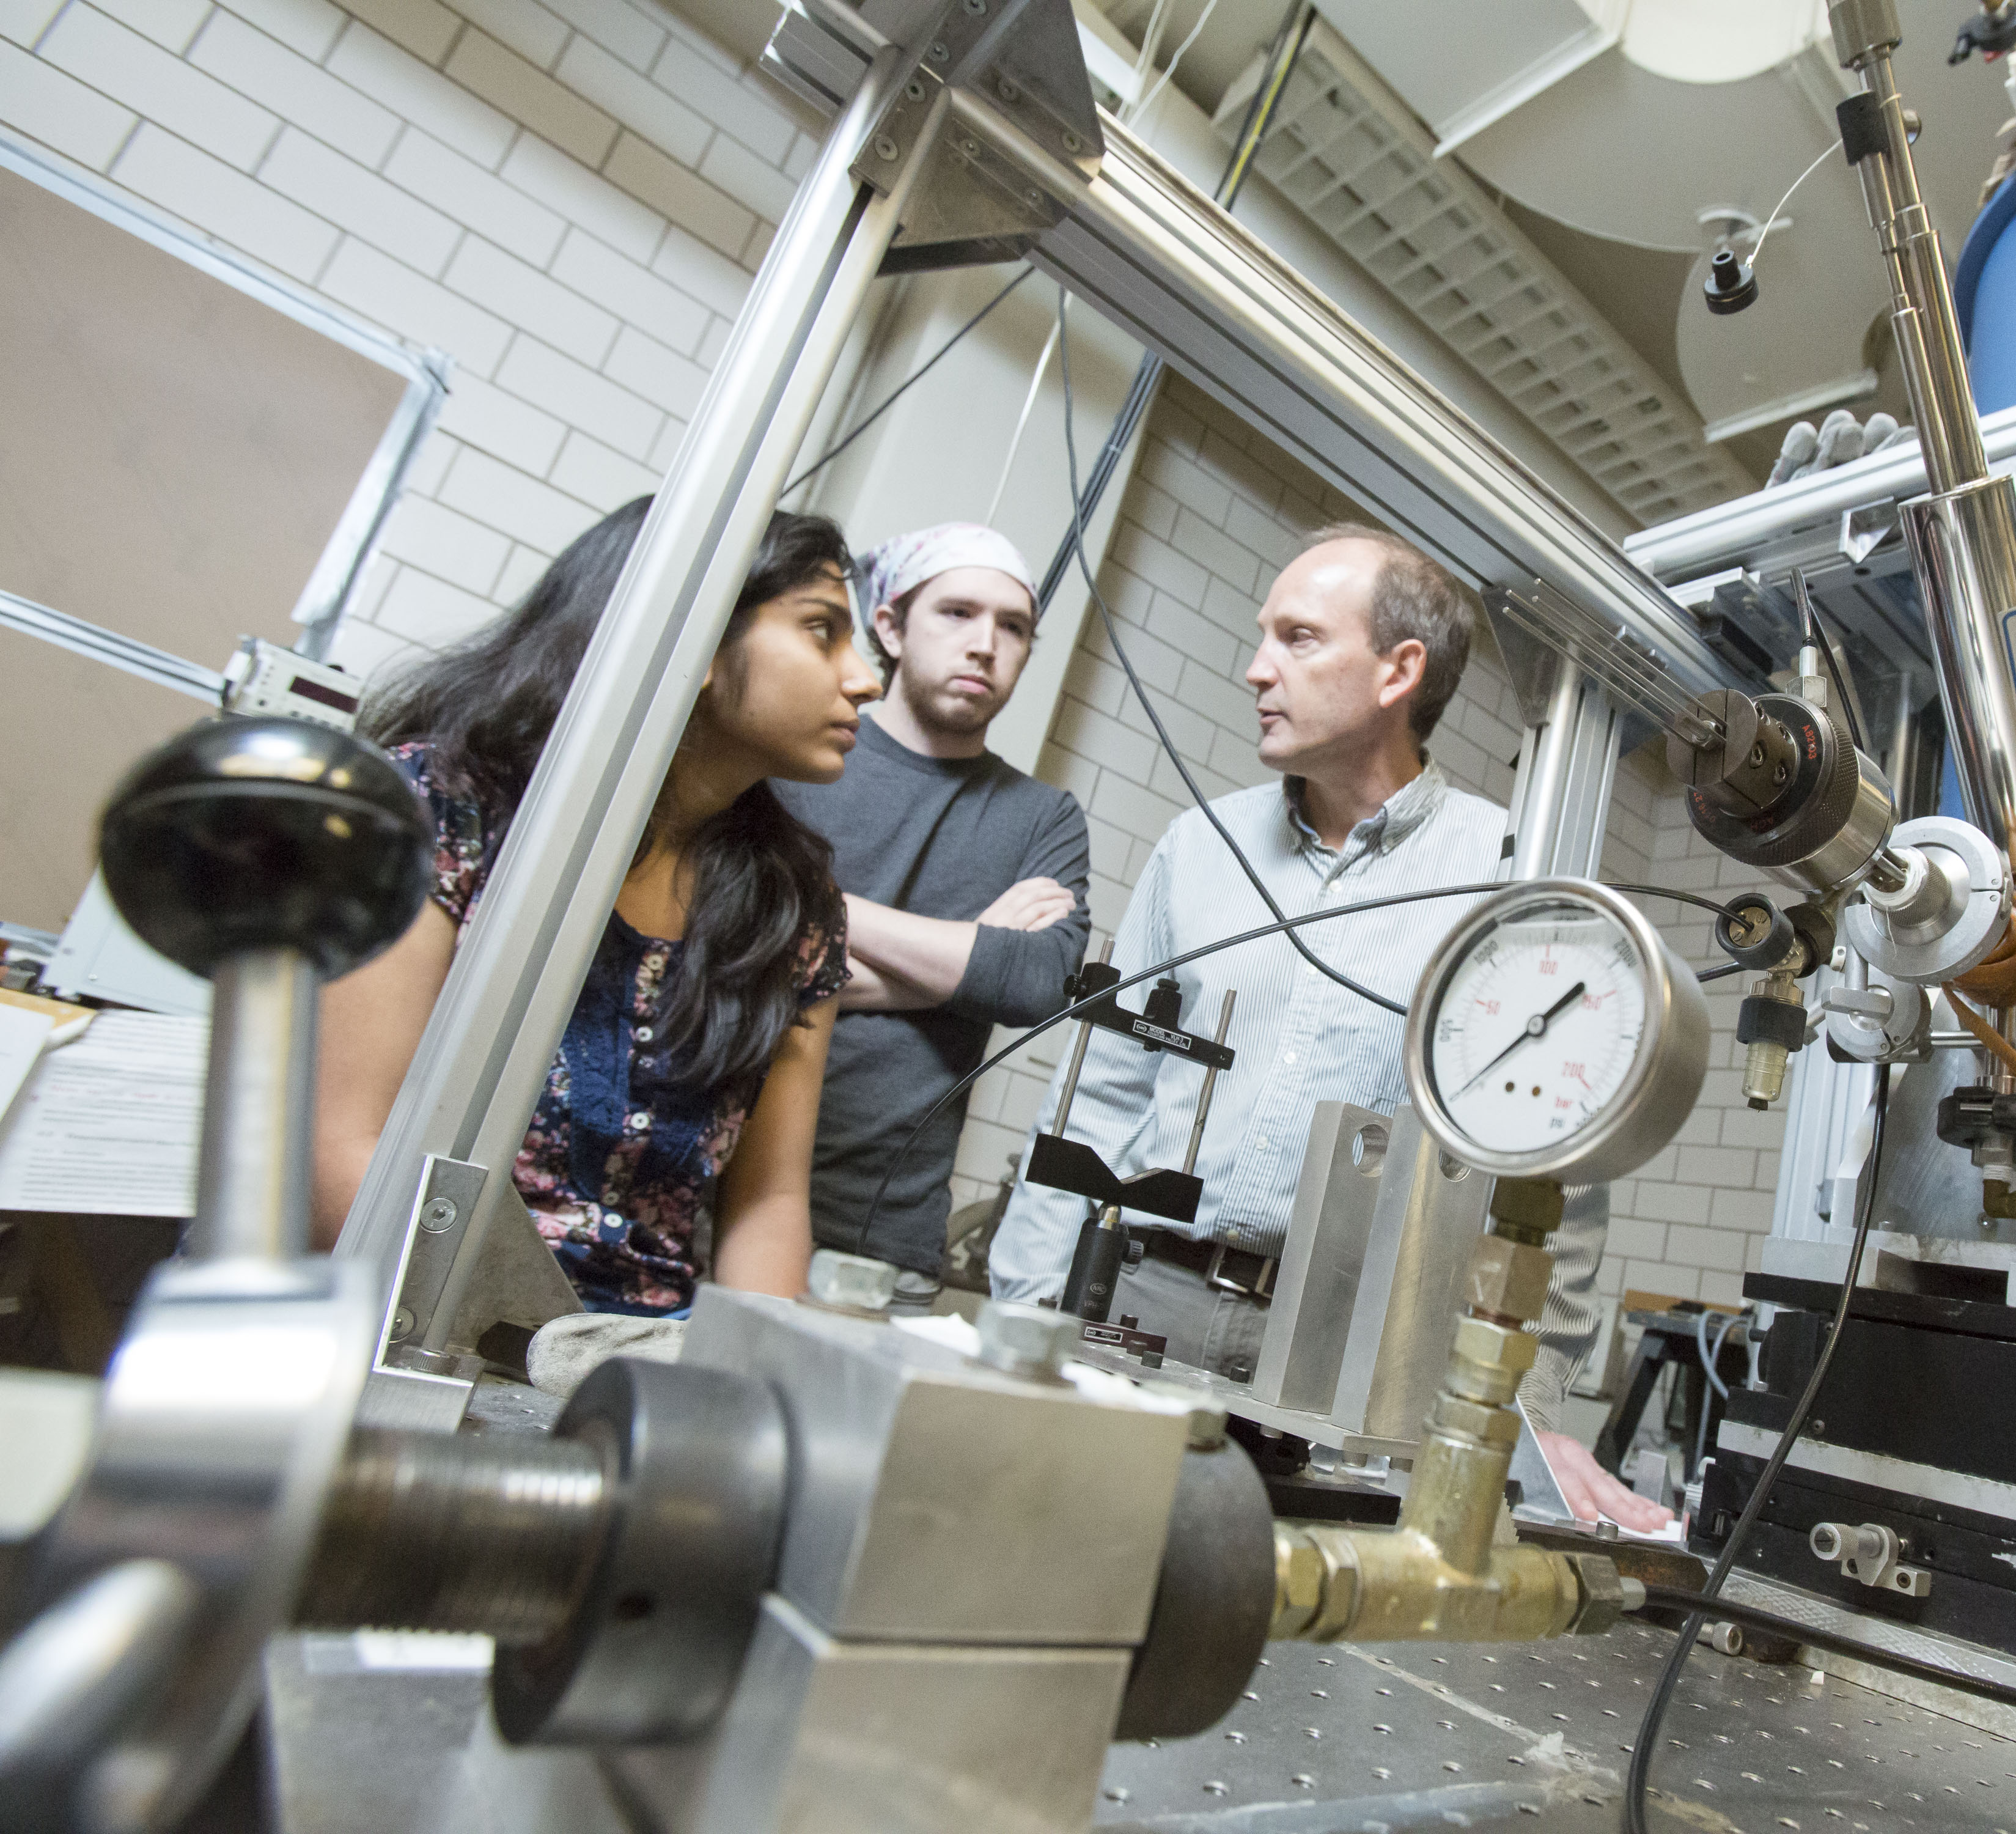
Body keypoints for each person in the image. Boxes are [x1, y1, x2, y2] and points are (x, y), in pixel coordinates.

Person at [990, 523, 1670, 1531]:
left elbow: (1559, 1183)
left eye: (1298, 639)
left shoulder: (1509, 872)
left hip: (1356, 1355)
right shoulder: (1199, 849)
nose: (1255, 668)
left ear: (1400, 671)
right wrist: (1020, 1319)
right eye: (1266, 636)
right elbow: (1101, 1091)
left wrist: (1523, 1417)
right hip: (1142, 1310)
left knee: (1298, 1639)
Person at [311, 500, 881, 1319]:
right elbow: (342, 1152)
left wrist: (737, 1385)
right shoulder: (436, 809)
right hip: (404, 1311)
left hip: (634, 1356)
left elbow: (769, 1205)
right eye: (822, 630)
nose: (863, 678)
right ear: (694, 638)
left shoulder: (795, 911)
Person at [778, 524, 1090, 1313]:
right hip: (713, 1197)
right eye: (956, 613)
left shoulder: (1042, 817)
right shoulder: (796, 761)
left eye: (1013, 627)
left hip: (886, 1245)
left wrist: (820, 908)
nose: (986, 644)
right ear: (889, 627)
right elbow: (738, 959)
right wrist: (964, 961)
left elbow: (1032, 987)